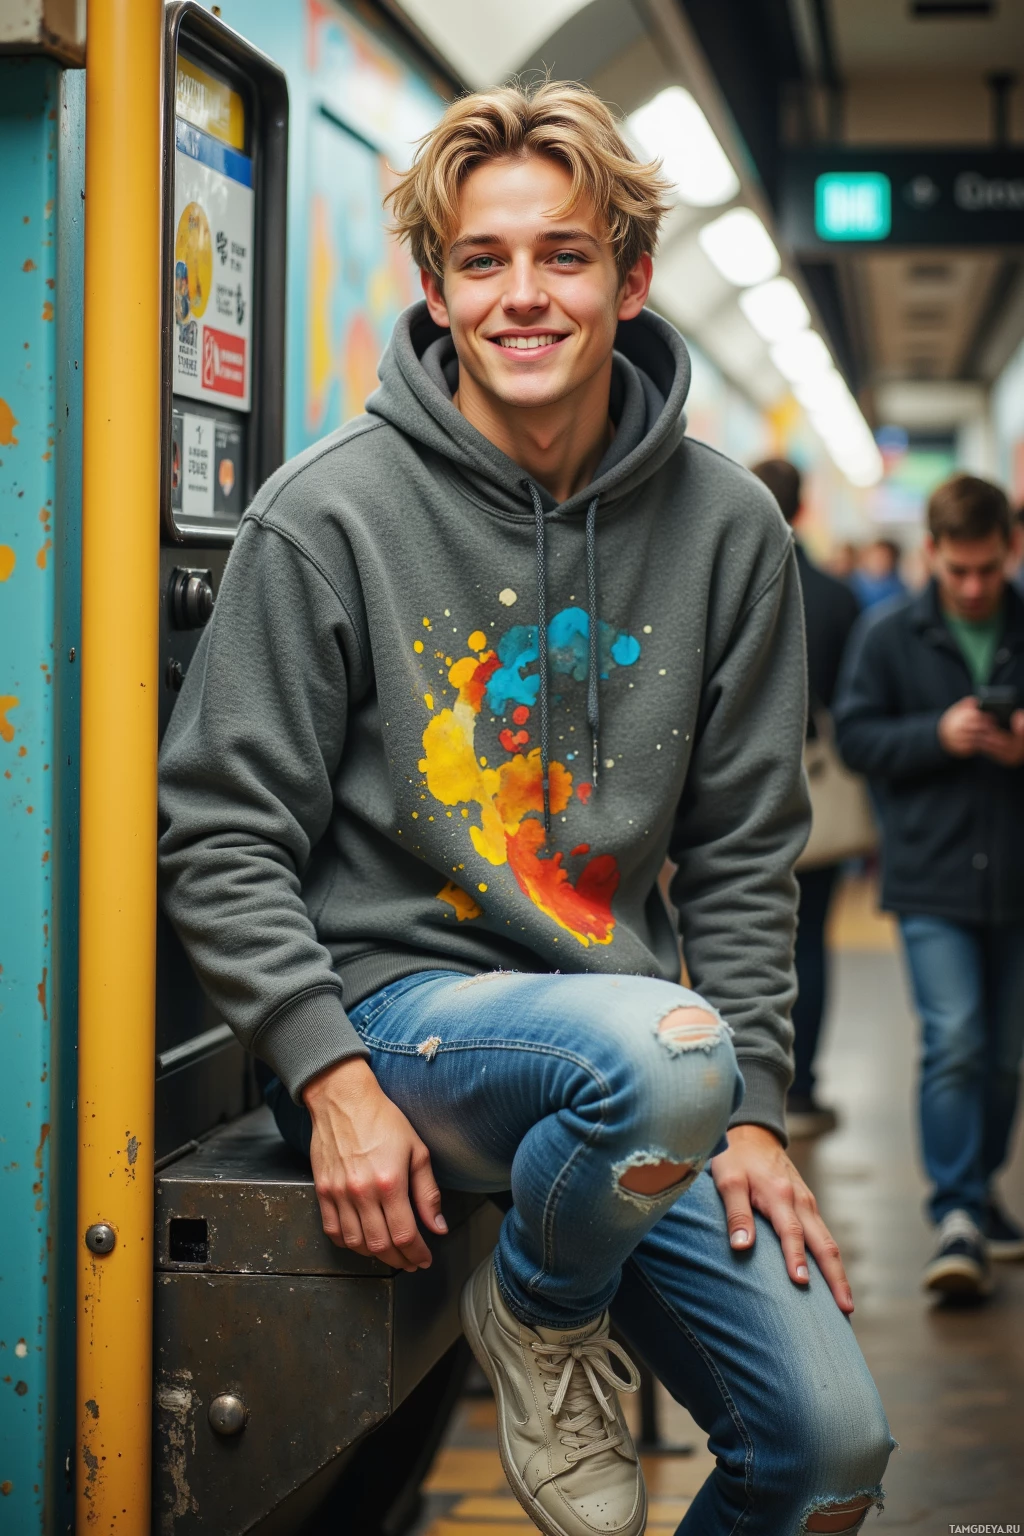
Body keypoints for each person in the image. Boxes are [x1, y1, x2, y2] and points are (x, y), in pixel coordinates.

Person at [159, 82, 891, 1535]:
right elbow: (224, 830)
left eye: (563, 255)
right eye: (483, 263)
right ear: (434, 289)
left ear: (631, 275)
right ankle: (551, 1324)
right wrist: (329, 1075)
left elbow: (746, 853)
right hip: (401, 1023)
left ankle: (545, 1300)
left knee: (824, 1456)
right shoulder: (332, 513)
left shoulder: (730, 528)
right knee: (666, 1053)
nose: (523, 297)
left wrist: (750, 1116)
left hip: (635, 1061)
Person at [835, 473, 1024, 1299]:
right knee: (955, 1038)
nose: (975, 588)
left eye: (988, 570)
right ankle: (954, 1212)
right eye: (960, 572)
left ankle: (979, 1193)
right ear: (933, 557)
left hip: (1018, 877)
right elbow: (855, 737)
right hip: (931, 874)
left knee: (1004, 1056)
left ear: (1007, 552)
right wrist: (939, 734)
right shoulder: (888, 635)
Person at [751, 459, 860, 1138]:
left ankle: (742, 1083)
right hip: (814, 789)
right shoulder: (837, 596)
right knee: (810, 940)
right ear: (805, 506)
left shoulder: (720, 577)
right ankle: (805, 1088)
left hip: (733, 793)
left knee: (733, 930)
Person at [850, 538, 906, 610]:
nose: (879, 562)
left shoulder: (899, 590)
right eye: (876, 557)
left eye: (885, 558)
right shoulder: (853, 585)